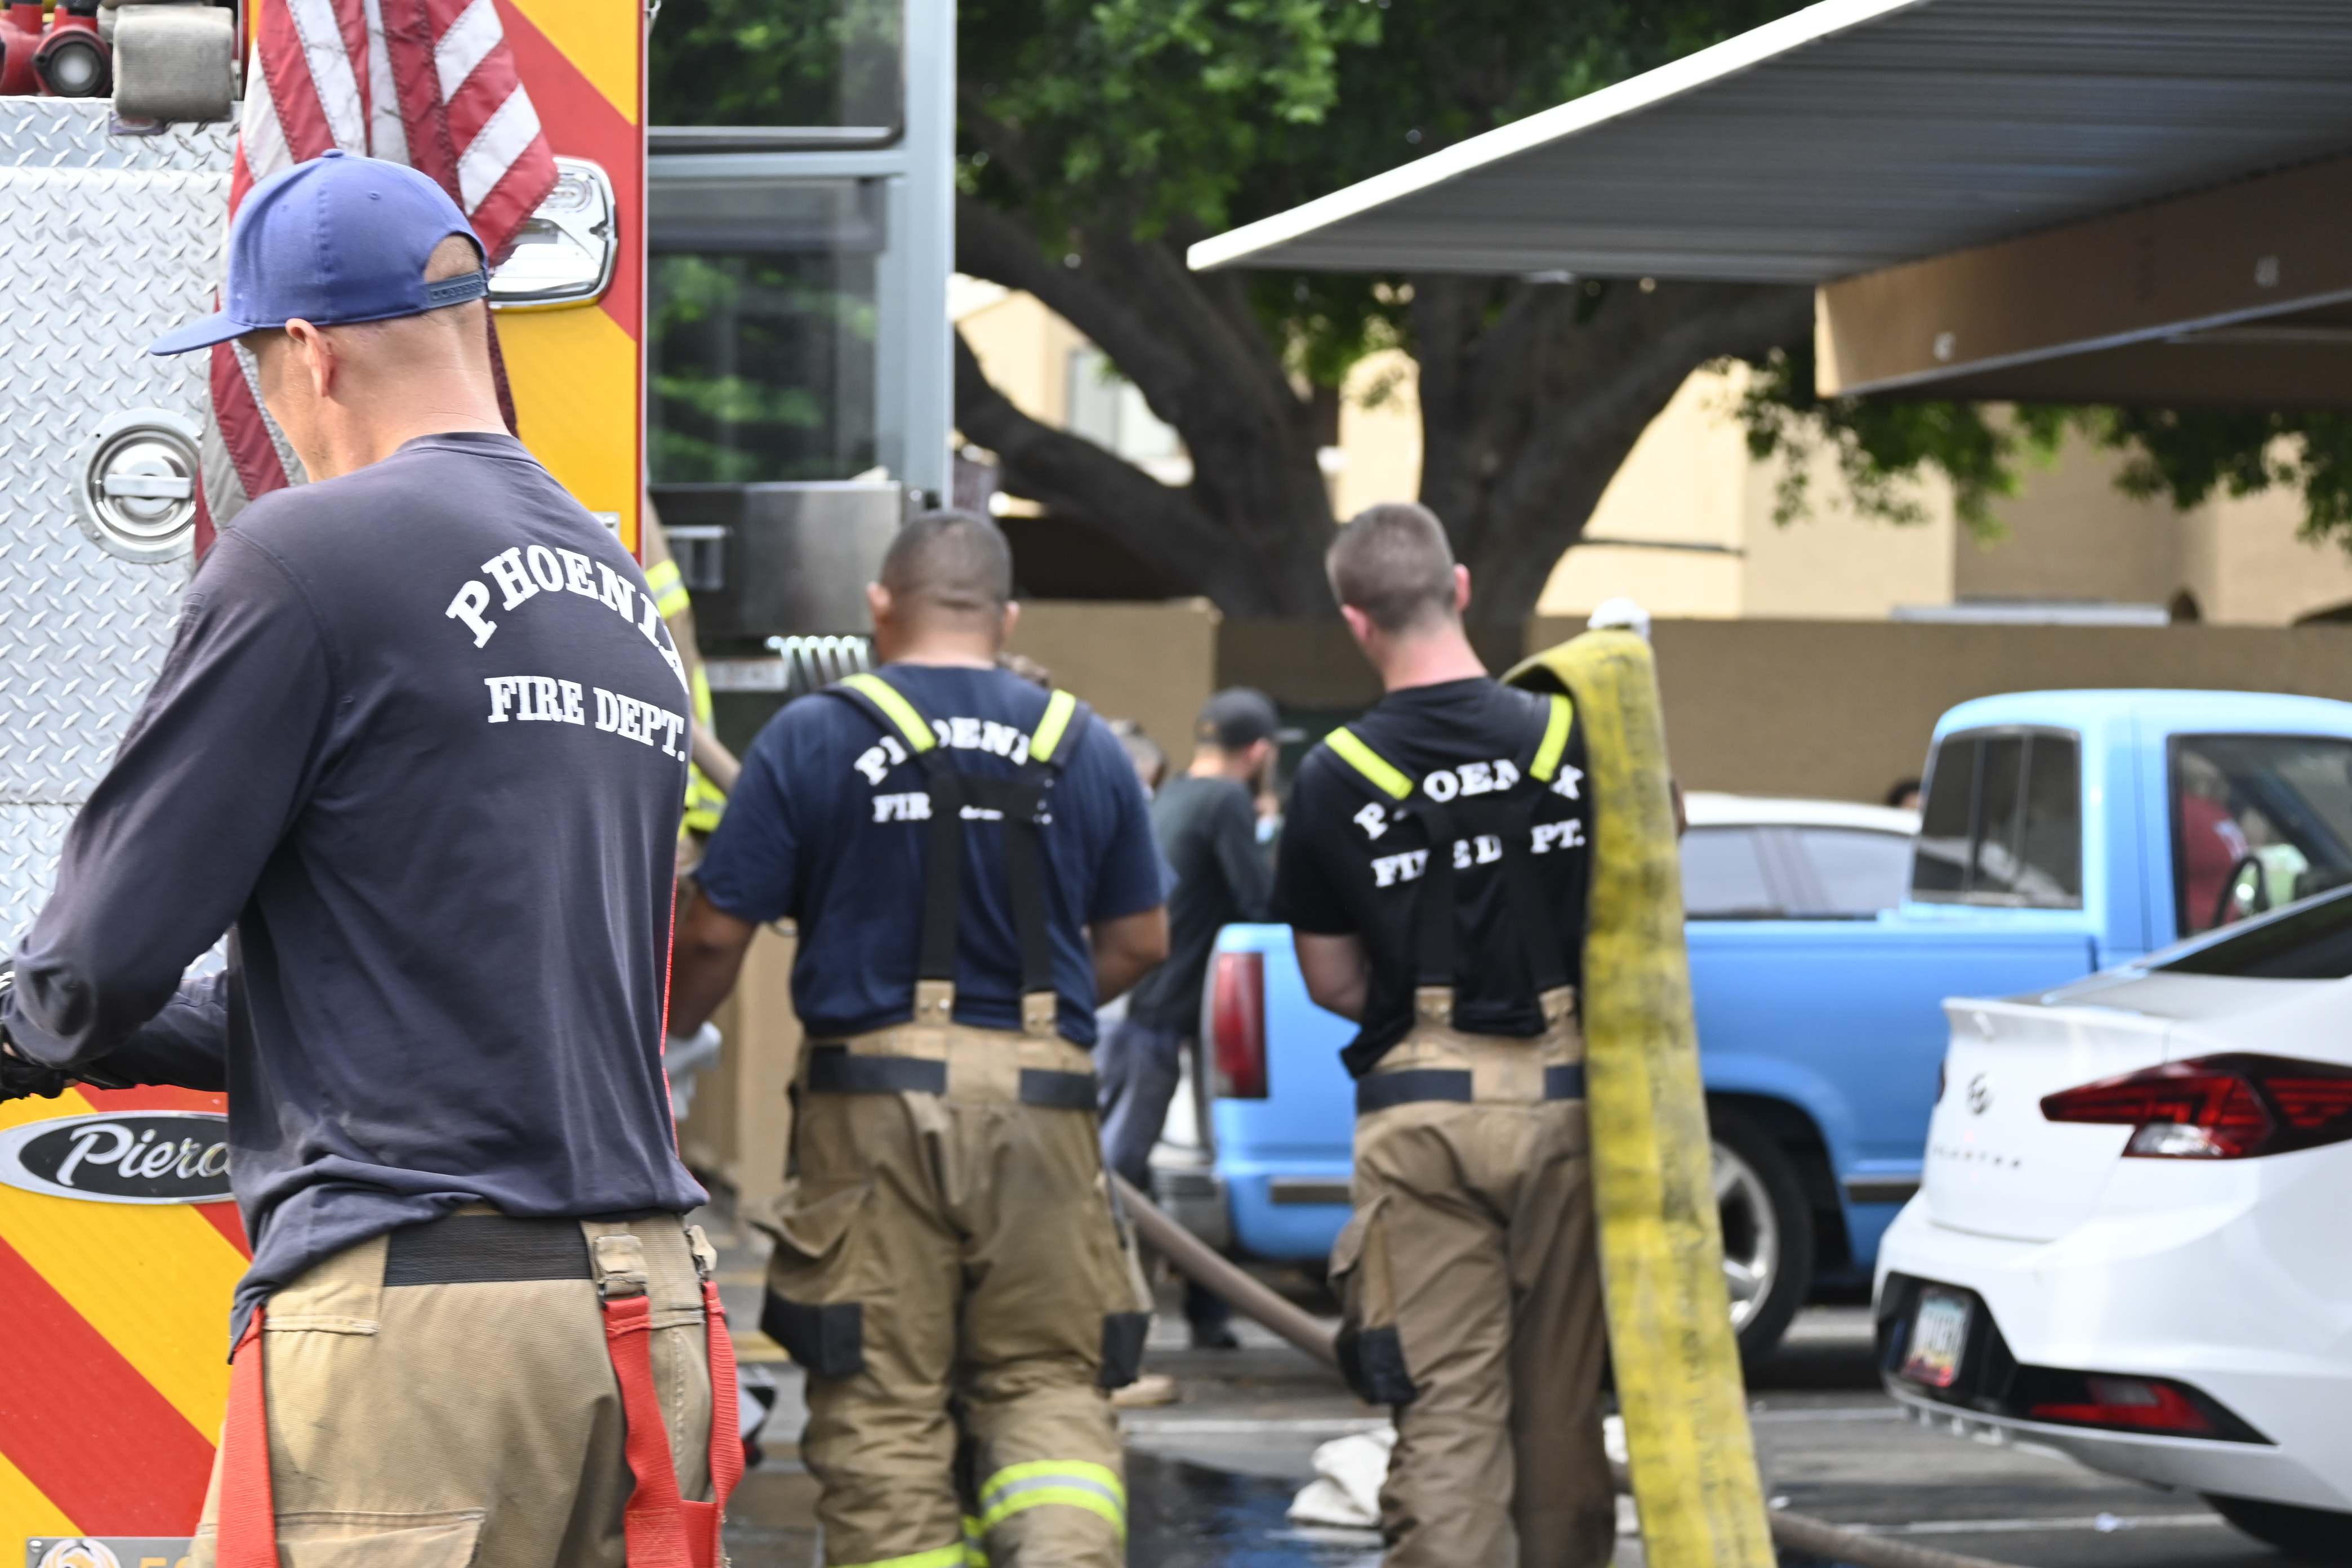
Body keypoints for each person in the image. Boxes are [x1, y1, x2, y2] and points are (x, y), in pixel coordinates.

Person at [0, 152, 727, 1563]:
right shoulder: (614, 591)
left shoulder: (312, 554)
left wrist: (34, 1022)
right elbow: (418, 992)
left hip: (431, 1323)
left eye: (257, 368)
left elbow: (98, 957)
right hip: (644, 1314)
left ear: (312, 353)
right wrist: (84, 1028)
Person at [666, 509, 1171, 1568]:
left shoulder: (815, 734)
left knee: (882, 1401)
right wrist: (1039, 1019)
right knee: (1046, 1381)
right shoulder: (1084, 742)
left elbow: (712, 932)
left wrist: (660, 1036)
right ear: (1007, 617)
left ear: (878, 607)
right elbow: (1140, 940)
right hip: (1047, 1106)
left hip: (872, 1111)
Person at [1272, 502, 1612, 1568]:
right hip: (1572, 1100)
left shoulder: (1332, 774)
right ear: (1459, 587)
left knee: (1448, 1409)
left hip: (1422, 1110)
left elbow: (1332, 980)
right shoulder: (1576, 734)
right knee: (1560, 1408)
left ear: (1354, 620)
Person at [1098, 688, 1281, 1349]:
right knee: (1117, 1175)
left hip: (1136, 1007)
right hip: (1163, 1014)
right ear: (1258, 752)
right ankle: (1102, 1332)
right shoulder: (1227, 800)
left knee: (1148, 1172)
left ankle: (1205, 1314)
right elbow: (1259, 903)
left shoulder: (1175, 794)